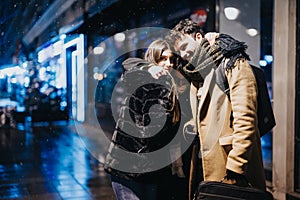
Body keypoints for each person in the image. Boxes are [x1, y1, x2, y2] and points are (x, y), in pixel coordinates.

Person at [166, 18, 267, 196]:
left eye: (184, 46)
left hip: (229, 164)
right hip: (203, 165)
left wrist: (236, 166)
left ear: (198, 37)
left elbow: (246, 120)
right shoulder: (194, 74)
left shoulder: (232, 63)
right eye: (178, 51)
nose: (182, 54)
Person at [104, 39, 189, 200]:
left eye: (171, 59)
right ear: (153, 58)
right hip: (127, 168)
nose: (168, 64)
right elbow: (129, 65)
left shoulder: (171, 87)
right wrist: (148, 68)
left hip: (152, 171)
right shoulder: (141, 78)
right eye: (163, 58)